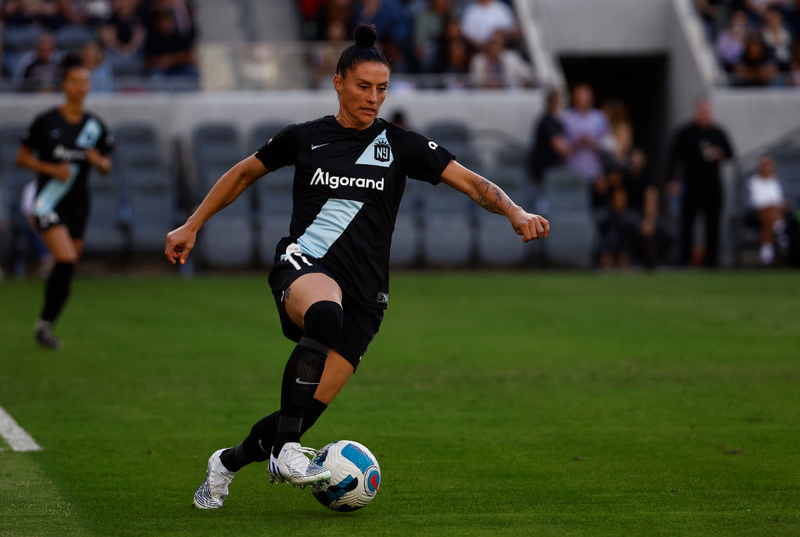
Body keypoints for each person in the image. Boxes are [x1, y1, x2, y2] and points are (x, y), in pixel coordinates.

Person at [165, 24, 549, 509]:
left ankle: (225, 463)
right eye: (364, 86)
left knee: (300, 413)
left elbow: (472, 184)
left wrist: (515, 211)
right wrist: (192, 224)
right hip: (305, 263)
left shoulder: (402, 145)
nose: (373, 97)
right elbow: (243, 173)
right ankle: (285, 451)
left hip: (366, 296)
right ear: (339, 83)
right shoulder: (305, 138)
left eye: (382, 88)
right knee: (325, 316)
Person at [15, 55, 114, 348]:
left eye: (85, 81)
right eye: (75, 81)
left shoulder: (95, 126)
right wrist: (51, 169)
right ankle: (44, 325)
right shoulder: (45, 122)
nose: (81, 86)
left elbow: (107, 167)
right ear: (64, 84)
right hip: (48, 201)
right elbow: (22, 157)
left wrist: (97, 160)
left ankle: (45, 324)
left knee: (67, 268)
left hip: (79, 203)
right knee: (66, 258)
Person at [667, 97, 734, 267]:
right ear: (696, 112)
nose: (705, 114)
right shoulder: (685, 132)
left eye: (707, 111)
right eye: (702, 111)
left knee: (713, 222)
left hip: (712, 185)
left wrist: (719, 154)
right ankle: (684, 258)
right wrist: (671, 180)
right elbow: (672, 157)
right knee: (687, 222)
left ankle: (712, 259)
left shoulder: (718, 132)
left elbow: (730, 153)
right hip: (690, 184)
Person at [747, 155, 791, 265]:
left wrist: (780, 205)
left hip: (776, 212)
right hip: (756, 213)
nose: (767, 168)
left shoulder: (778, 181)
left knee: (771, 214)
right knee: (769, 212)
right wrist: (771, 205)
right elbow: (754, 202)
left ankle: (767, 249)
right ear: (760, 167)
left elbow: (782, 200)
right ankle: (779, 229)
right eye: (764, 166)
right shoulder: (752, 181)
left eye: (769, 166)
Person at [530, 87, 570, 185]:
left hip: (553, 171)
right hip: (544, 173)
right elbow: (558, 146)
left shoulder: (557, 122)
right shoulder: (547, 122)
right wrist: (578, 147)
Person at [468, 30, 534, 89]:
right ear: (488, 44)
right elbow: (475, 81)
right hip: (485, 95)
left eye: (499, 43)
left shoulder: (511, 57)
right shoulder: (478, 60)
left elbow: (528, 74)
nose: (496, 47)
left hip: (507, 94)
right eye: (493, 43)